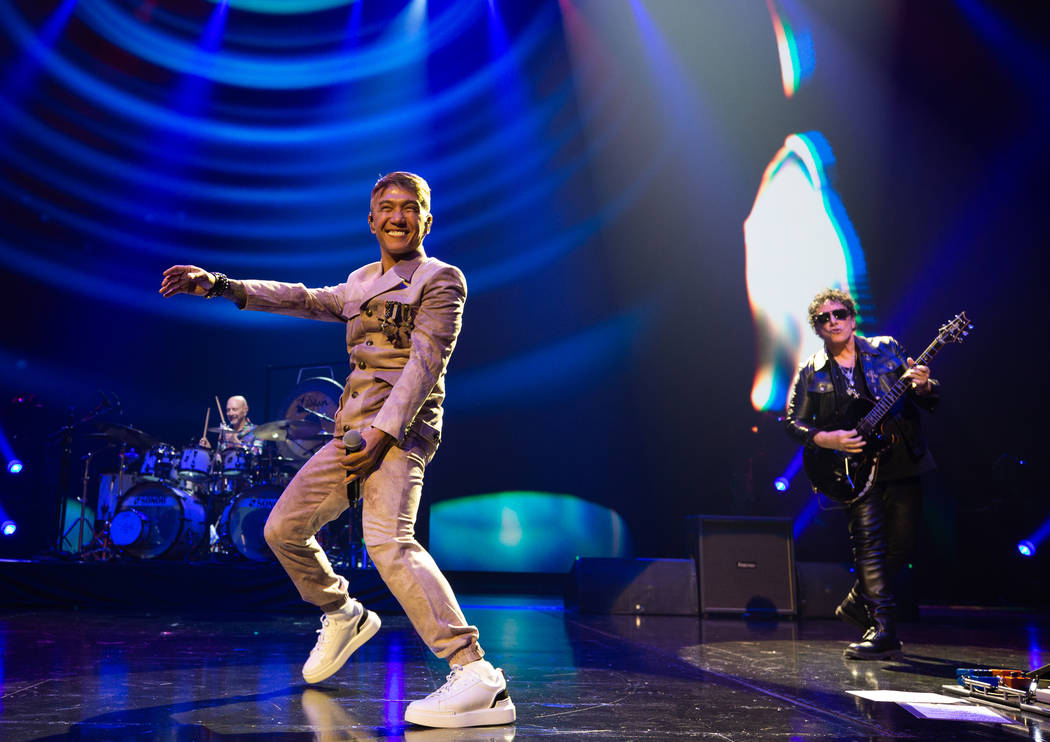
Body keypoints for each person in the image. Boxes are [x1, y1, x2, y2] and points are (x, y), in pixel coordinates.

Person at [159, 172, 515, 729]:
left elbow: (426, 364)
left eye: (410, 207)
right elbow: (303, 298)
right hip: (349, 433)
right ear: (371, 220)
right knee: (281, 530)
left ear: (427, 218)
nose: (397, 217)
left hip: (400, 432)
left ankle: (477, 674)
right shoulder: (359, 282)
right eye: (387, 208)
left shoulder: (441, 279)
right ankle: (343, 612)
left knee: (388, 540)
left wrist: (384, 436)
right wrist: (221, 285)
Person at [785, 288, 938, 660]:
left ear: (853, 319)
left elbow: (926, 400)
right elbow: (793, 422)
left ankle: (858, 599)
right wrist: (828, 438)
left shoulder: (886, 349)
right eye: (824, 318)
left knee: (902, 545)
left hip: (900, 458)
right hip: (852, 468)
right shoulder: (812, 369)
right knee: (868, 546)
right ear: (818, 328)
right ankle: (883, 627)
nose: (833, 321)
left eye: (839, 314)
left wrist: (923, 384)